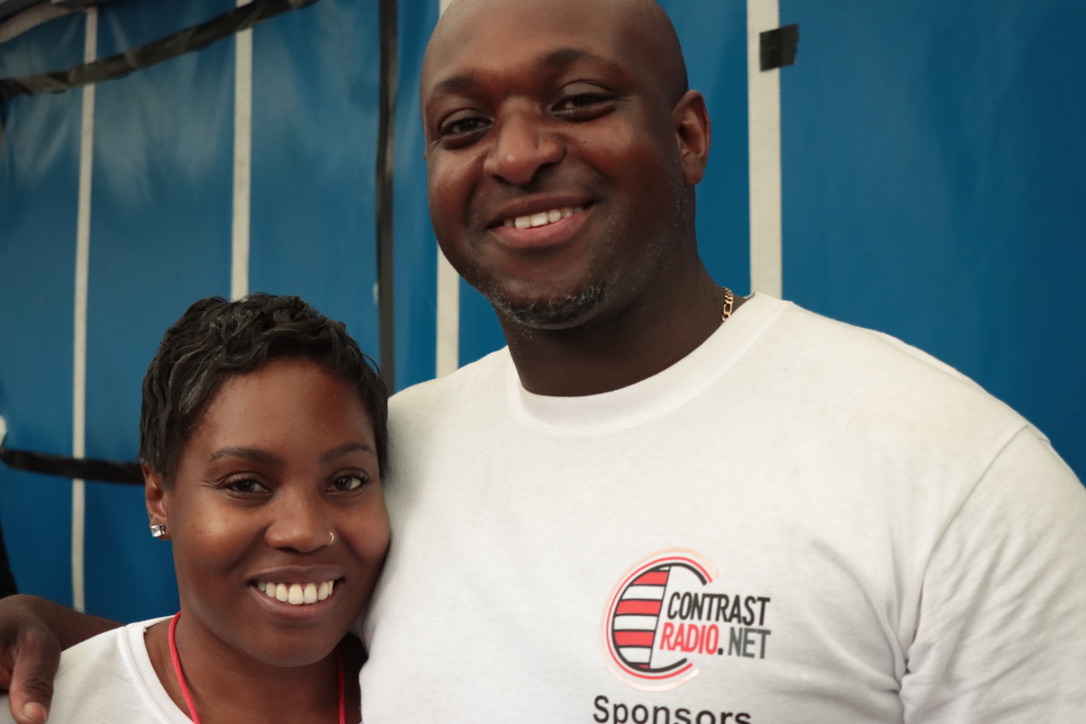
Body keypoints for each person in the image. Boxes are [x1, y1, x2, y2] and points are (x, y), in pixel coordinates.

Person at [4, 0, 1086, 722]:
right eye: (464, 124)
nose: (518, 155)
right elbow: (266, 651)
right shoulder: (390, 453)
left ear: (689, 135)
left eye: (577, 102)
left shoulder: (952, 473)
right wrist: (69, 652)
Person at [0, 293, 389, 723]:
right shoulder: (52, 709)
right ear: (158, 497)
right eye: (245, 484)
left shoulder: (432, 692)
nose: (304, 531)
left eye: (346, 481)